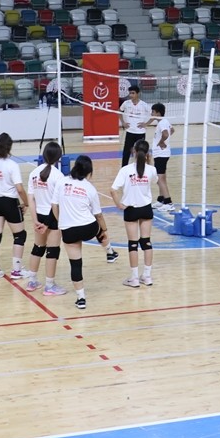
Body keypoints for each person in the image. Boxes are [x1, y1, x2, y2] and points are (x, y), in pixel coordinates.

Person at [53, 155, 111, 310]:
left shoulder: (62, 182)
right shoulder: (90, 188)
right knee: (99, 228)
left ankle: (81, 298)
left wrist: (61, 222)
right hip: (87, 228)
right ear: (89, 172)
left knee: (76, 265)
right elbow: (98, 215)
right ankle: (109, 251)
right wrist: (104, 230)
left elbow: (54, 206)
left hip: (68, 231)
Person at [111, 139, 158, 288]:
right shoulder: (151, 170)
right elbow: (155, 179)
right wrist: (150, 161)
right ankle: (148, 276)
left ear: (134, 151)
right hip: (146, 208)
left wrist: (119, 204)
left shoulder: (125, 170)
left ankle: (134, 278)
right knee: (146, 242)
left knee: (133, 244)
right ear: (147, 153)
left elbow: (113, 190)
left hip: (131, 210)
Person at [0, 133, 28, 281]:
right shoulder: (12, 165)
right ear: (9, 147)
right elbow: (20, 188)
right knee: (20, 235)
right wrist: (26, 203)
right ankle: (16, 270)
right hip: (9, 202)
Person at [24, 141, 68, 296]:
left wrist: (35, 220)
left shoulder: (33, 173)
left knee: (38, 247)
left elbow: (31, 199)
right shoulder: (59, 176)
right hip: (53, 217)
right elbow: (56, 204)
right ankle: (49, 286)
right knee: (53, 251)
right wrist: (49, 223)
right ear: (59, 157)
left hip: (39, 215)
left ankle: (32, 281)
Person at [148, 102, 174, 211]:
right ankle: (161, 200)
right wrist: (164, 141)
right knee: (161, 177)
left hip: (161, 154)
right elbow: (172, 130)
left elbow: (166, 134)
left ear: (158, 113)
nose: (151, 113)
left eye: (153, 112)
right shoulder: (165, 122)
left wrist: (162, 141)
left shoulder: (162, 122)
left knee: (159, 178)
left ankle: (168, 202)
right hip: (163, 154)